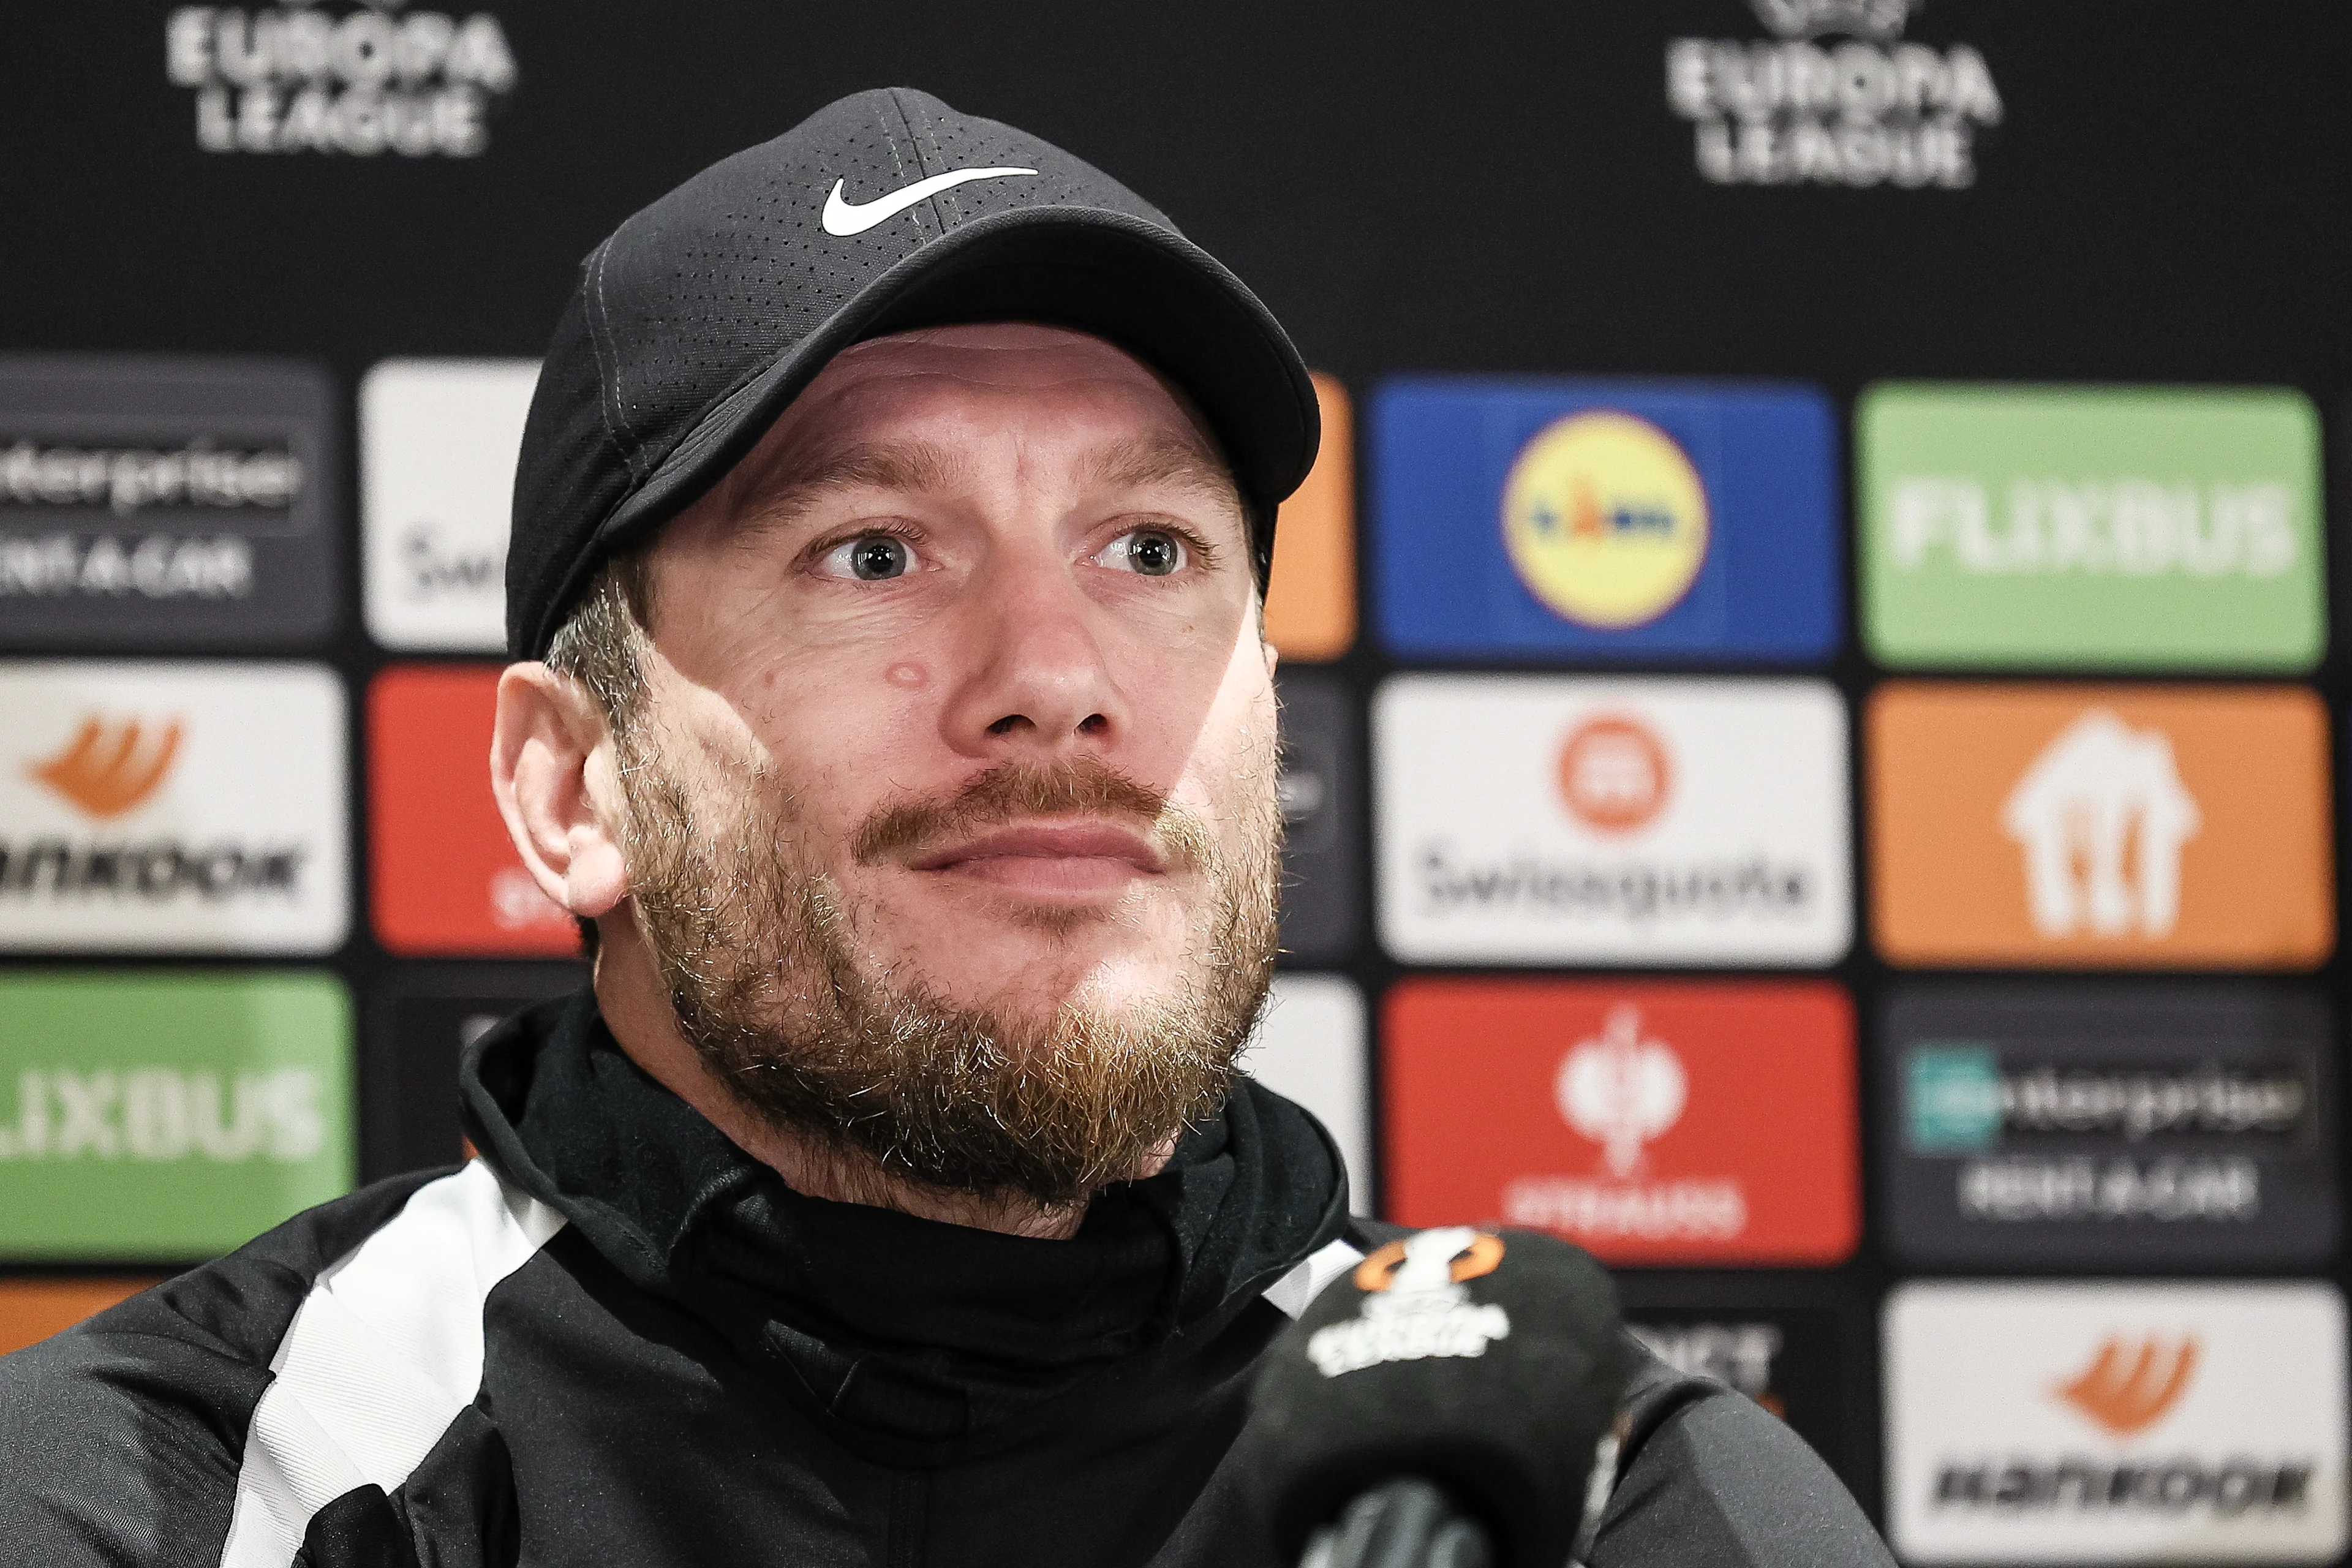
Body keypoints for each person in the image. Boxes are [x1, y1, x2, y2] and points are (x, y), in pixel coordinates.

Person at [0, 89, 1893, 1568]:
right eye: (877, 553)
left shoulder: (1611, 1510)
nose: (1054, 679)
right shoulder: (199, 1493)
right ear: (575, 789)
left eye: (1149, 550)